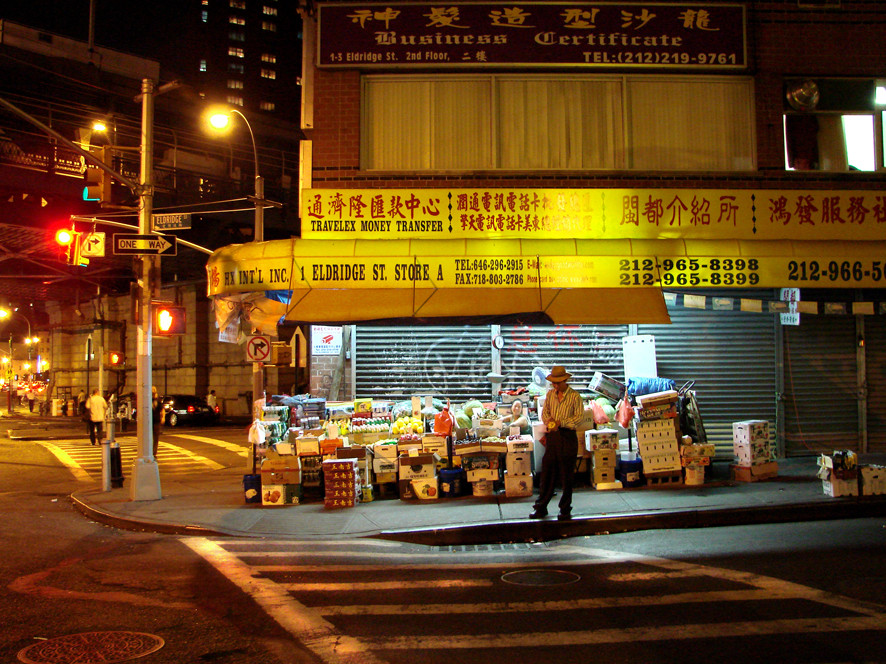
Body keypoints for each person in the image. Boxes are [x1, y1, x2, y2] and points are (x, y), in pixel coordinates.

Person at [530, 366, 584, 522]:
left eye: (558, 383)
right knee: (547, 472)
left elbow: (578, 418)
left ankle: (565, 509)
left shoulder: (574, 396)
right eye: (553, 383)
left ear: (564, 381)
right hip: (553, 437)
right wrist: (549, 421)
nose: (555, 386)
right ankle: (541, 507)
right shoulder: (550, 395)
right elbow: (545, 412)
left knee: (566, 475)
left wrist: (562, 422)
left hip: (567, 437)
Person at [151, 386, 163, 457]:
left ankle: (154, 452)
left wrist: (163, 417)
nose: (153, 391)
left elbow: (162, 409)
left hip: (156, 421)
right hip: (149, 421)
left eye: (154, 390)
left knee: (156, 437)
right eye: (152, 390)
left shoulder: (157, 400)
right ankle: (149, 451)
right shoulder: (147, 399)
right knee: (149, 437)